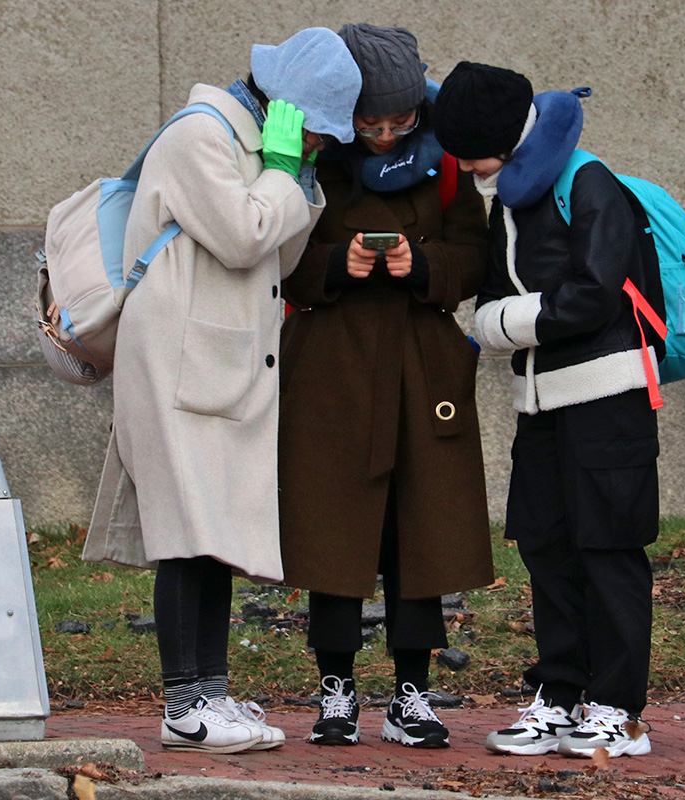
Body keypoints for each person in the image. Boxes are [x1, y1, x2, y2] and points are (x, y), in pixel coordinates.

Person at [81, 28, 362, 753]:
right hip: (178, 364)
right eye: (317, 129)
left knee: (214, 537)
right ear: (286, 107)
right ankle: (184, 708)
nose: (320, 143)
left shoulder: (259, 150)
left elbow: (281, 254)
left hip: (219, 363)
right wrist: (282, 170)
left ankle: (210, 694)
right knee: (186, 533)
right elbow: (243, 236)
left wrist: (291, 172)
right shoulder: (200, 136)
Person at [433, 62, 663, 759]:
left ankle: (619, 710)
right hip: (541, 403)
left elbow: (594, 293)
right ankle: (560, 696)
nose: (464, 167)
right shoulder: (511, 190)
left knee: (609, 550)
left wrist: (501, 324)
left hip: (608, 399)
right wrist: (500, 317)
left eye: (472, 153)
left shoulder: (588, 182)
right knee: (546, 548)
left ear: (506, 140)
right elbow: (501, 288)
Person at [277, 24, 493, 750]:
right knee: (332, 533)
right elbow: (277, 256)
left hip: (421, 367)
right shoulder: (313, 159)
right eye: (369, 124)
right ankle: (335, 690)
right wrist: (337, 265)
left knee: (420, 534)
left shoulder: (447, 159)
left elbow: (475, 254)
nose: (384, 136)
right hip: (331, 369)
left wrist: (421, 265)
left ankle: (411, 692)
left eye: (399, 123)